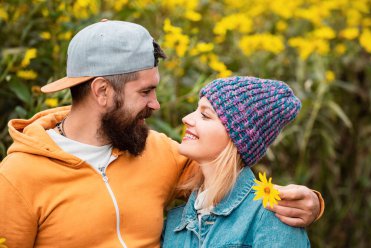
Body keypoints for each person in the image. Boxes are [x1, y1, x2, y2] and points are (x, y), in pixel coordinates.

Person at [0, 20, 323, 247]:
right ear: (102, 92)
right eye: (145, 91)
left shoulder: (159, 151)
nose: (156, 104)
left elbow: (228, 174)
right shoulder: (18, 177)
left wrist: (310, 203)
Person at [162, 76, 310, 247]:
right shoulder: (175, 223)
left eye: (204, 115)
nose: (187, 118)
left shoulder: (273, 216)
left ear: (236, 138)